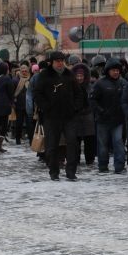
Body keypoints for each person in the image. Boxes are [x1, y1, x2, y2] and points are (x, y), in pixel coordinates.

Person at [33, 51, 83, 181]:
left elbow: (78, 93)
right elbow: (37, 93)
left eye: (62, 60)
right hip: (51, 116)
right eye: (57, 61)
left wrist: (75, 107)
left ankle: (71, 172)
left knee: (72, 143)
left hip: (69, 116)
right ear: (52, 62)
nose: (60, 63)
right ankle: (54, 171)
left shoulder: (69, 74)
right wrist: (46, 107)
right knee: (51, 145)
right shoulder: (44, 75)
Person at [91, 58, 126, 173]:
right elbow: (93, 100)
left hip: (118, 120)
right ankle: (103, 166)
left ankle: (120, 166)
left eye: (117, 70)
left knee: (118, 143)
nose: (116, 72)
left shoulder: (123, 83)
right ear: (108, 71)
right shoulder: (100, 83)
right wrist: (101, 111)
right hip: (103, 120)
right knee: (102, 144)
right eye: (113, 70)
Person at [71, 62, 97, 166]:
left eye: (81, 75)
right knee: (75, 140)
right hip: (75, 116)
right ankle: (75, 159)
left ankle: (89, 159)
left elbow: (93, 101)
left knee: (89, 140)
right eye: (77, 75)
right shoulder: (71, 87)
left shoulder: (90, 87)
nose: (79, 78)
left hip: (88, 116)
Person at [12, 64, 31, 145]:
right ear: (20, 71)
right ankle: (17, 139)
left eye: (25, 71)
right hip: (19, 105)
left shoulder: (30, 79)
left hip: (28, 105)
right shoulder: (15, 80)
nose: (24, 72)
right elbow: (12, 92)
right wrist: (13, 101)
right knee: (19, 123)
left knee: (29, 123)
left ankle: (31, 139)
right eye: (22, 71)